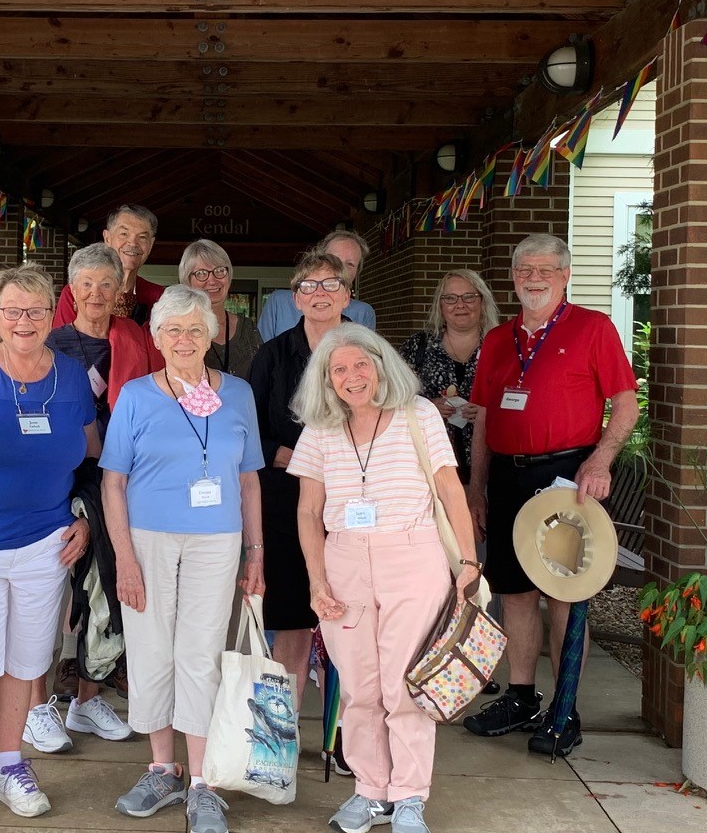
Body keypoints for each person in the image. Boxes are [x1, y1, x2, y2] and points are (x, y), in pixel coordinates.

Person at [291, 325, 479, 833]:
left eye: (360, 365)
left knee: (404, 685)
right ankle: (372, 789)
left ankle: (410, 796)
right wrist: (317, 580)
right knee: (360, 687)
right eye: (339, 370)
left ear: (381, 365)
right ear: (326, 381)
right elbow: (308, 511)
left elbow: (450, 489)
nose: (352, 377)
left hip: (411, 555)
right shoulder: (320, 429)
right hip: (345, 558)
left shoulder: (419, 415)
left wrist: (467, 563)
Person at [101, 285, 265, 833]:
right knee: (150, 645)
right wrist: (123, 556)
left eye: (196, 329)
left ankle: (203, 783)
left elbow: (249, 479)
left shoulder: (238, 394)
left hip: (217, 540)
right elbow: (113, 482)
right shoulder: (136, 396)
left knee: (199, 653)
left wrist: (256, 551)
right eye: (173, 330)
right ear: (157, 337)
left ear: (212, 334)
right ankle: (160, 769)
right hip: (148, 539)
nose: (185, 339)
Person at [464, 234, 639, 757]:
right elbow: (484, 420)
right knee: (514, 592)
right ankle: (520, 696)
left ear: (565, 275)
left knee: (564, 595)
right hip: (508, 477)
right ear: (513, 276)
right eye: (524, 269)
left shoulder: (593, 328)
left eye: (544, 269)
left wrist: (600, 460)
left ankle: (565, 707)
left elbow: (625, 405)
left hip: (568, 476)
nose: (533, 278)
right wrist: (476, 487)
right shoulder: (498, 339)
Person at [0, 265, 99, 822]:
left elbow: (91, 455)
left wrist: (86, 517)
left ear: (51, 313)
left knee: (23, 662)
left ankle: (8, 765)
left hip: (46, 545)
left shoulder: (74, 377)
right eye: (12, 310)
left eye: (34, 310)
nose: (24, 321)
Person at [39, 242, 155, 749]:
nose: (96, 294)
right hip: (55, 474)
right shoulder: (49, 342)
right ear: (72, 290)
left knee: (104, 581)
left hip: (118, 474)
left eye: (106, 285)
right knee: (50, 587)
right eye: (86, 284)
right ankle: (35, 705)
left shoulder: (136, 339)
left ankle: (86, 700)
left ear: (119, 291)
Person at [245, 250, 353, 711]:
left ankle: (346, 729)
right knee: (291, 614)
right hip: (285, 498)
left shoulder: (364, 355)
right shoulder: (271, 356)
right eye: (309, 286)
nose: (320, 294)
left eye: (331, 284)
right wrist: (288, 454)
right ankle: (283, 727)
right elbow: (249, 429)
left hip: (350, 499)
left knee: (349, 615)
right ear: (295, 298)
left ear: (347, 294)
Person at [400, 268, 498, 472]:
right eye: (450, 298)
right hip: (429, 466)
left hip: (493, 466)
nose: (460, 305)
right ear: (440, 305)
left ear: (483, 301)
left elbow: (520, 401)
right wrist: (426, 407)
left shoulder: (502, 346)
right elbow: (393, 398)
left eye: (469, 297)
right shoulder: (418, 346)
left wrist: (489, 414)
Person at [52, 205, 163, 328]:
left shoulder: (159, 297)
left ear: (151, 244)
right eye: (124, 234)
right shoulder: (78, 293)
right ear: (107, 238)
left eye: (142, 237)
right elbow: (62, 344)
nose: (132, 243)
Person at [255, 229, 377, 340]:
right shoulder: (279, 302)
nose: (341, 269)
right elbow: (261, 352)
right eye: (334, 260)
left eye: (350, 264)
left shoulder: (363, 312)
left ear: (357, 272)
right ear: (317, 260)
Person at [182, 237, 262, 378]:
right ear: (188, 281)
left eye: (219, 271)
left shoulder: (248, 328)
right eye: (201, 273)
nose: (212, 281)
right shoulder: (178, 331)